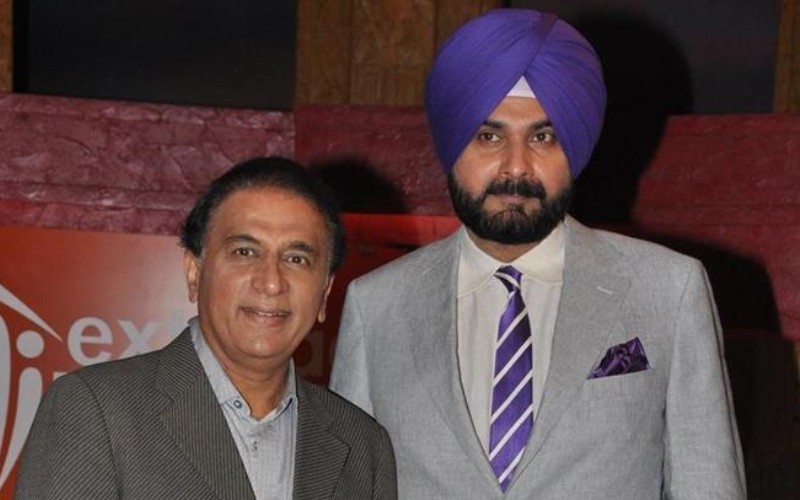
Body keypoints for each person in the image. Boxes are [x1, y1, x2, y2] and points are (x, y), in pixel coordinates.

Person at [330, 8, 745, 499]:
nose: (516, 167)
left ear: (575, 148)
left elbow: (709, 486)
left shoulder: (668, 289)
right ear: (451, 145)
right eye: (489, 136)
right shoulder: (377, 305)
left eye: (543, 137)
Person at [15, 157, 397, 500]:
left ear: (325, 292)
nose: (271, 282)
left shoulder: (363, 446)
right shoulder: (97, 410)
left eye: (296, 259)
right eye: (245, 252)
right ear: (194, 271)